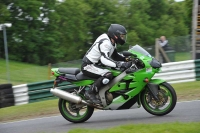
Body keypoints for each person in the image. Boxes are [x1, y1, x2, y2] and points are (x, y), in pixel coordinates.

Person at [81, 24, 133, 104]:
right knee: (108, 74)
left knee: (116, 73)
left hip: (96, 65)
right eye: (121, 36)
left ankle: (106, 94)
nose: (122, 38)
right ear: (115, 35)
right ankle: (90, 93)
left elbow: (115, 56)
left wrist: (126, 59)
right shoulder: (106, 43)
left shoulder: (112, 42)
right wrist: (120, 64)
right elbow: (104, 59)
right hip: (88, 66)